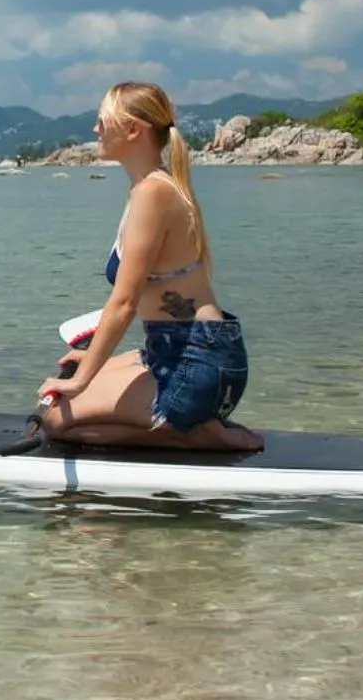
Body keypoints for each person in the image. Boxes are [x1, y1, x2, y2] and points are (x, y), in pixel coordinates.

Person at [36, 81, 262, 452]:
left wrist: (79, 383)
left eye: (102, 121)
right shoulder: (151, 188)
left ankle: (193, 434)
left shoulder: (153, 194)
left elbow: (124, 303)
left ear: (133, 130)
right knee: (65, 385)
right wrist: (89, 361)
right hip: (182, 352)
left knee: (55, 419)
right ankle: (187, 422)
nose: (95, 130)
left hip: (197, 362)